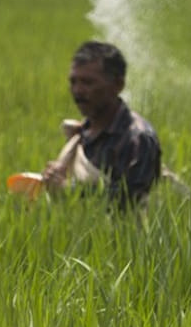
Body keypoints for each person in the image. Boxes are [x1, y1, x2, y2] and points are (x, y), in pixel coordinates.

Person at [41, 41, 164, 210]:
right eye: (73, 82)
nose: (77, 91)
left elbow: (131, 200)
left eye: (87, 82)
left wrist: (68, 189)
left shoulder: (137, 138)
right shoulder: (81, 132)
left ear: (118, 85)